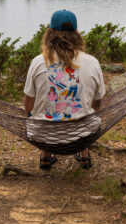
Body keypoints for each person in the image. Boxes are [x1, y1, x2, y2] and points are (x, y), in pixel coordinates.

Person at [24, 10, 106, 170]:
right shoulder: (92, 63)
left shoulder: (38, 62)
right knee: (87, 111)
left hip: (44, 137)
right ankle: (84, 154)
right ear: (77, 34)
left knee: (38, 112)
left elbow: (28, 106)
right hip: (82, 136)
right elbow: (96, 105)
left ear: (49, 34)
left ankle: (46, 156)